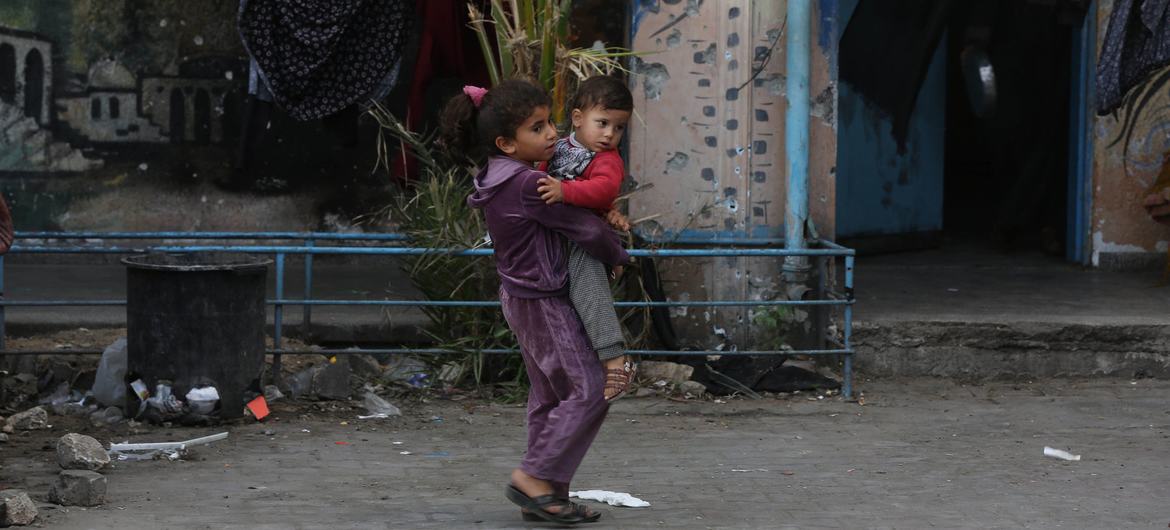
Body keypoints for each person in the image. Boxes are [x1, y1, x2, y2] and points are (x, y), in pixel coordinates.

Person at [442, 79, 631, 525]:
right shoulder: (531, 183)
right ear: (507, 143)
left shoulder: (496, 173)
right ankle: (534, 476)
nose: (552, 134)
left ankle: (548, 496)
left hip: (521, 297)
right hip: (544, 299)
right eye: (538, 127)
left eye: (550, 123)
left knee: (552, 396)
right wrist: (619, 252)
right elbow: (583, 230)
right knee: (590, 389)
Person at [536, 75, 636, 401]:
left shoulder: (607, 159)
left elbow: (604, 189)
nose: (610, 134)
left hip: (582, 241)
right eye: (603, 123)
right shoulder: (559, 146)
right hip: (554, 236)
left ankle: (615, 361)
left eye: (619, 128)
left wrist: (564, 191)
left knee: (589, 289)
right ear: (578, 119)